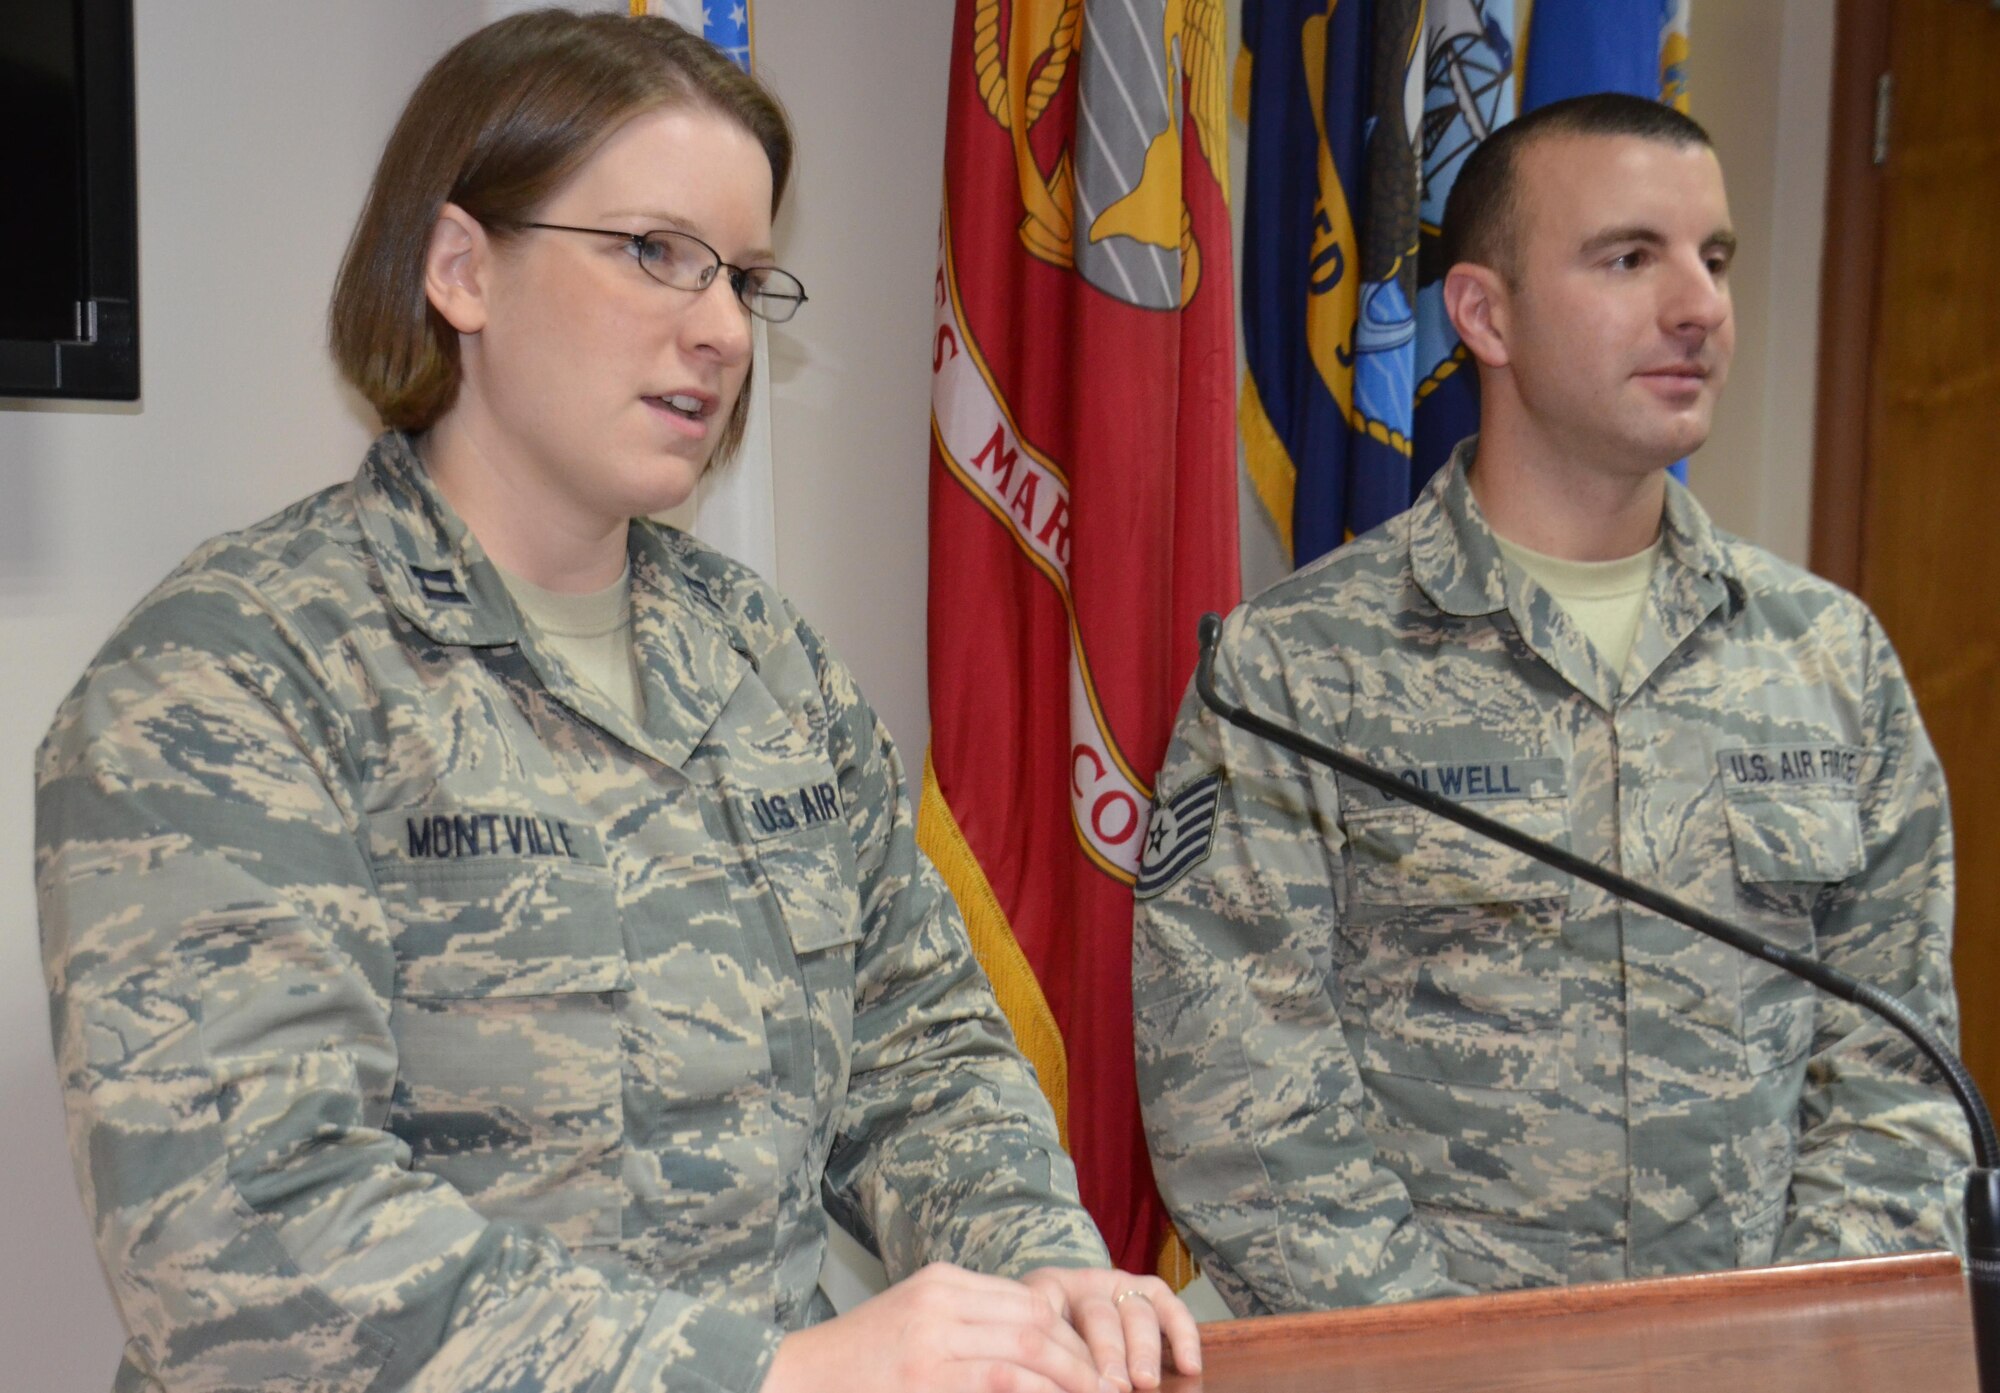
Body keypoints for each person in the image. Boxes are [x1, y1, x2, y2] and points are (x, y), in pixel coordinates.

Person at [36, 11, 1199, 1391]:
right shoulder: (229, 674)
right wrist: (781, 1376)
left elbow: (919, 1050)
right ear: (462, 268)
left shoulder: (771, 666)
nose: (718, 329)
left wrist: (1040, 1263)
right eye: (655, 254)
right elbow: (253, 1252)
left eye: (745, 279)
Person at [1131, 93, 1968, 1316]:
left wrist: (1792, 1344)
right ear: (1483, 313)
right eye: (1628, 258)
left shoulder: (1827, 661)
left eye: (1714, 258)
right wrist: (1461, 1364)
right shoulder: (1297, 672)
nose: (1698, 306)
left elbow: (1897, 1075)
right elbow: (1236, 1094)